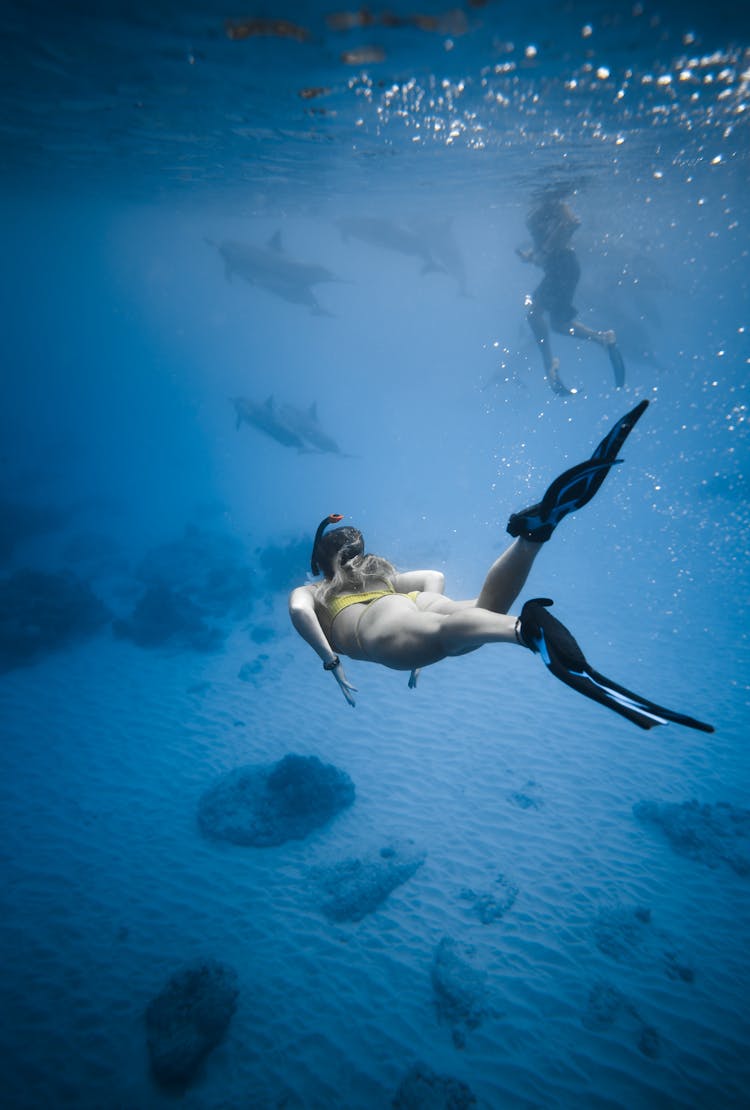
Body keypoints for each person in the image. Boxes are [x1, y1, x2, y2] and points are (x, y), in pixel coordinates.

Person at [289, 401, 713, 733]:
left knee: (448, 635)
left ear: (320, 561)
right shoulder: (378, 576)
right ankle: (531, 538)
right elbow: (432, 577)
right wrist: (417, 609)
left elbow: (298, 612)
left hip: (377, 627)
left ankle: (524, 632)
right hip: (412, 603)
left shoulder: (316, 591)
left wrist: (331, 662)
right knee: (478, 612)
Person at [517, 188, 626, 396]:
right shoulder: (545, 207)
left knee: (535, 314)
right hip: (560, 268)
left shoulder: (555, 204)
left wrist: (546, 250)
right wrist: (532, 255)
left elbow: (572, 223)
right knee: (556, 323)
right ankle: (602, 339)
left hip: (561, 267)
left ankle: (550, 366)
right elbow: (549, 240)